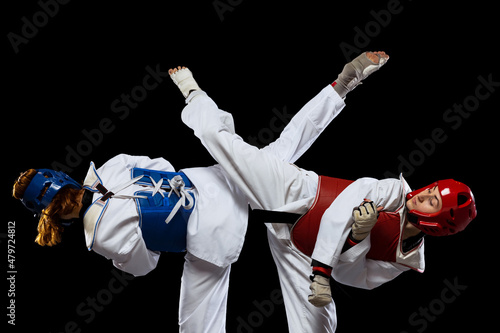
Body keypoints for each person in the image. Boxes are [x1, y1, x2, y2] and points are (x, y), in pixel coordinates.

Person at [11, 52, 376, 332]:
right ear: (65, 180)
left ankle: (339, 90)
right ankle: (337, 87)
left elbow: (144, 264)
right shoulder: (109, 169)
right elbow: (163, 167)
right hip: (215, 179)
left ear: (53, 216)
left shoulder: (100, 236)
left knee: (199, 321)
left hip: (211, 237)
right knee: (278, 149)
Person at [175, 52, 477, 331]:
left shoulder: (404, 259)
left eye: (432, 201)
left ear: (437, 223)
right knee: (220, 139)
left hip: (301, 250)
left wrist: (357, 240)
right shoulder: (395, 193)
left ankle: (341, 85)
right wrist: (321, 272)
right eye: (431, 190)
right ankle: (194, 93)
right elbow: (340, 209)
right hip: (294, 193)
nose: (424, 194)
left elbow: (353, 277)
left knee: (319, 327)